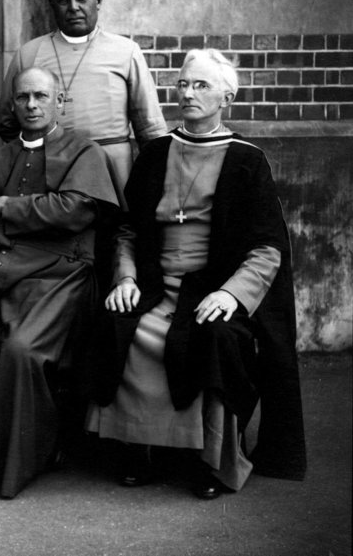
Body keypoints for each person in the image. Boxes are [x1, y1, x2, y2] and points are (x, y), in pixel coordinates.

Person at [86, 49, 306, 498]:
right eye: (184, 84)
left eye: (201, 85)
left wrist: (230, 295)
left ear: (227, 96)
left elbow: (267, 249)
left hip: (211, 287)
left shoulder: (247, 160)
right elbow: (128, 230)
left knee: (215, 337)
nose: (187, 93)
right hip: (152, 282)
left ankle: (209, 460)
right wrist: (125, 278)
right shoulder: (156, 153)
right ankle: (138, 449)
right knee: (120, 323)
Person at [0, 66, 119, 498]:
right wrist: (15, 226)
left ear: (59, 102)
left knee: (21, 351)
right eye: (22, 98)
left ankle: (17, 460)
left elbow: (78, 209)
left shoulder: (83, 152)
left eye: (40, 96)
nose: (31, 105)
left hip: (59, 273)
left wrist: (8, 208)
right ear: (13, 105)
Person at [0, 0, 166, 200]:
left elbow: (150, 131)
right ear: (52, 4)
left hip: (111, 171)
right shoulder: (29, 53)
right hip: (49, 173)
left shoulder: (126, 51)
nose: (73, 7)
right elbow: (8, 124)